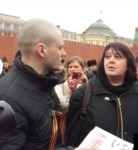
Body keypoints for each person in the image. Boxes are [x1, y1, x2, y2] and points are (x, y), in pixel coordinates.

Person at [0, 18, 83, 150]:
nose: (64, 53)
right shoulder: (7, 99)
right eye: (60, 47)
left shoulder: (44, 83)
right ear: (42, 50)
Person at [66, 42, 138, 147]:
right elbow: (71, 137)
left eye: (118, 57)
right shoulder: (84, 93)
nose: (111, 60)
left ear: (128, 63)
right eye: (107, 57)